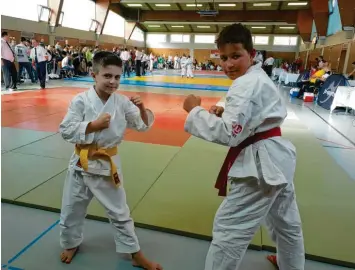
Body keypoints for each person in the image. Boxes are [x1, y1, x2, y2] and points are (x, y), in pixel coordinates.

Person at [182, 23, 305, 270]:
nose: (228, 64)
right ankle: (290, 265)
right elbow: (254, 117)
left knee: (229, 229)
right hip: (277, 158)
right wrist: (227, 112)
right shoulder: (256, 77)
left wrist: (194, 110)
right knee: (285, 222)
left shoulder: (245, 84)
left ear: (252, 53)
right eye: (224, 57)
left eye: (236, 55)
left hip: (261, 166)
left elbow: (229, 134)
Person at [58, 51, 162, 270]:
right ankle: (70, 243)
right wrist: (93, 126)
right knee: (71, 209)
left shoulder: (122, 103)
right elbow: (66, 130)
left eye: (117, 77)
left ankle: (135, 253)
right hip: (80, 162)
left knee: (119, 212)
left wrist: (142, 107)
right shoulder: (80, 101)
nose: (113, 81)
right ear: (93, 74)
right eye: (107, 76)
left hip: (107, 165)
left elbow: (142, 126)